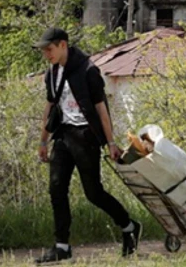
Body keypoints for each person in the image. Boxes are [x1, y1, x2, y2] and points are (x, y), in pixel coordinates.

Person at [32, 27, 141, 263]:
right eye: (44, 51)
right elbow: (50, 107)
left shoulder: (88, 70)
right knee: (56, 188)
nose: (46, 54)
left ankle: (129, 227)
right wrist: (43, 141)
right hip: (63, 134)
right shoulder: (51, 73)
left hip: (86, 136)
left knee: (94, 193)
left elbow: (102, 108)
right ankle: (61, 246)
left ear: (63, 45)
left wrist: (110, 142)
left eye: (49, 49)